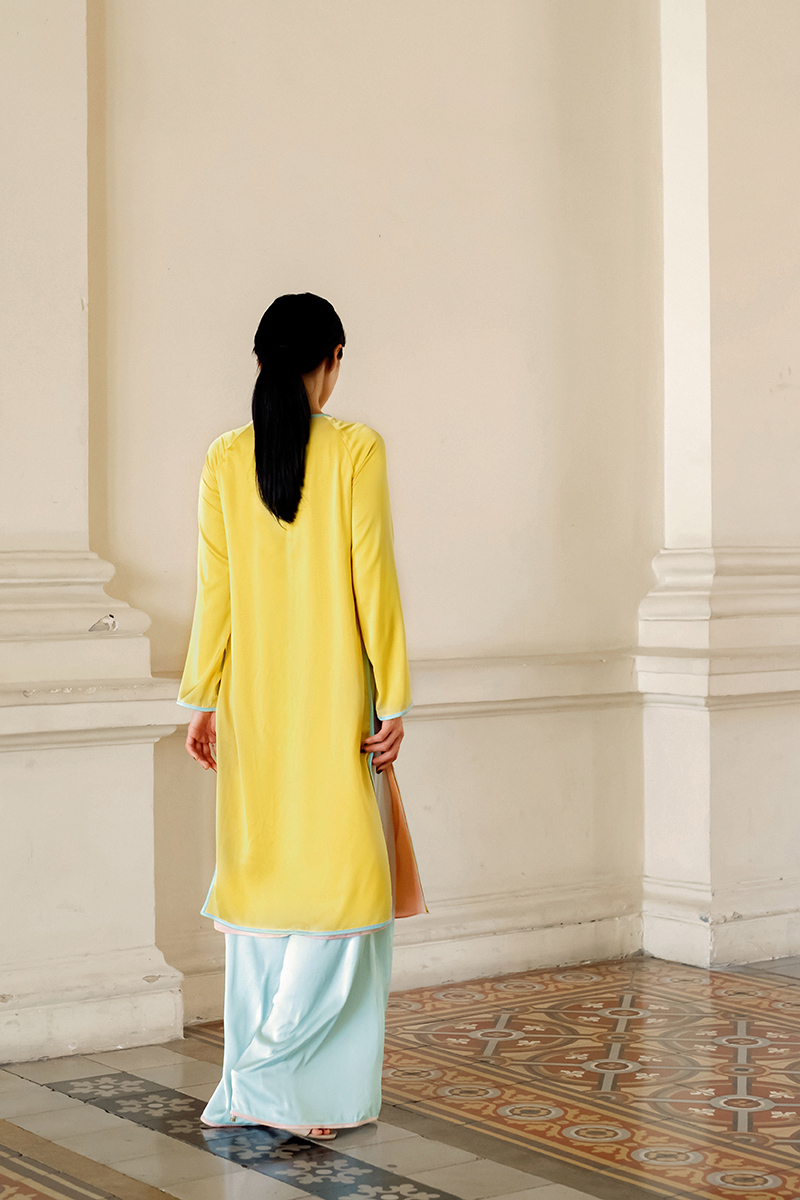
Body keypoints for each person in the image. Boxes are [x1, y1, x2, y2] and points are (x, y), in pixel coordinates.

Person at [177, 292, 414, 1141]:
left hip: (250, 705)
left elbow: (214, 591)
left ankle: (273, 1090)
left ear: (260, 361)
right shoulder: (355, 449)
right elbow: (372, 578)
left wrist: (205, 696)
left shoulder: (223, 458)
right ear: (333, 358)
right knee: (343, 897)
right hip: (334, 702)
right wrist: (393, 697)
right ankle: (271, 1086)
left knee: (268, 890)